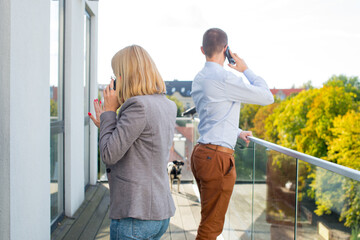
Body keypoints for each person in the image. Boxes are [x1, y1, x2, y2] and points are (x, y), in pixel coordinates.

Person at [191, 28, 274, 240]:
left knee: (208, 219)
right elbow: (267, 96)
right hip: (216, 159)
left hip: (201, 154)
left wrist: (236, 132)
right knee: (211, 227)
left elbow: (212, 116)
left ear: (202, 50)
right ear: (226, 49)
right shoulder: (225, 78)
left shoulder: (199, 78)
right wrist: (246, 69)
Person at [89, 45, 177, 240]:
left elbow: (109, 155)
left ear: (125, 75)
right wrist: (106, 124)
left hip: (135, 216)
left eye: (115, 74)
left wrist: (110, 112)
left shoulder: (137, 105)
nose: (113, 82)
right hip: (159, 213)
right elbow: (138, 145)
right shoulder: (167, 105)